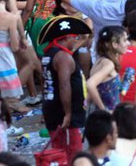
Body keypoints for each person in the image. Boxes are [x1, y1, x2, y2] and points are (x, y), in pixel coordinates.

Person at [40, 15, 92, 162]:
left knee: (59, 153)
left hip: (52, 109)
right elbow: (64, 85)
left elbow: (45, 83)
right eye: (74, 38)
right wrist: (68, 114)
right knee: (72, 155)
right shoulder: (63, 57)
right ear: (67, 37)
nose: (75, 41)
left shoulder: (49, 54)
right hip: (64, 115)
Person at [86, 26, 128, 112]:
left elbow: (103, 89)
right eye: (125, 40)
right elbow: (90, 84)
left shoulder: (99, 62)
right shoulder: (109, 64)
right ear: (114, 44)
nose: (128, 43)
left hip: (97, 116)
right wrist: (103, 109)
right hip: (106, 119)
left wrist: (124, 81)